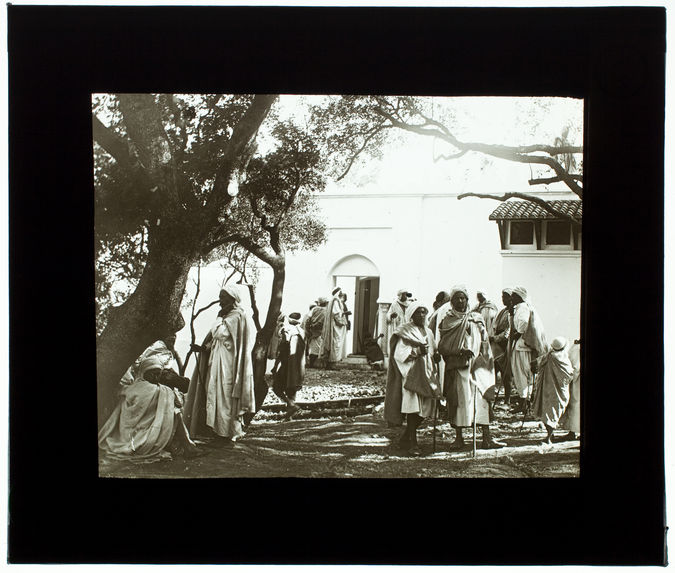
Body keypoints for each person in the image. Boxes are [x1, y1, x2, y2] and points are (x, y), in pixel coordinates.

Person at [183, 285, 256, 446]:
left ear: (233, 299)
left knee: (224, 397)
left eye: (223, 298)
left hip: (228, 366)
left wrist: (218, 317)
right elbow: (217, 341)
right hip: (219, 363)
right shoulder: (229, 317)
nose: (220, 302)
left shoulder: (236, 317)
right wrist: (204, 348)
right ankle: (217, 432)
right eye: (220, 297)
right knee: (216, 395)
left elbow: (219, 334)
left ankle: (224, 435)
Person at [435, 286, 505, 449]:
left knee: (482, 401)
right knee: (460, 402)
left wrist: (484, 357)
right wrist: (459, 352)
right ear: (451, 302)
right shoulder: (448, 320)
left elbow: (485, 341)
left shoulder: (476, 317)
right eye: (457, 298)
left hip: (478, 367)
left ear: (467, 300)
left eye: (463, 298)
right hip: (459, 369)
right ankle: (459, 438)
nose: (460, 301)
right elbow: (443, 346)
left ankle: (486, 438)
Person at [99, 354, 200, 460]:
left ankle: (186, 446)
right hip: (145, 439)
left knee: (172, 411)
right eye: (152, 374)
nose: (155, 377)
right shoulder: (159, 390)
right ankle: (187, 446)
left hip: (131, 438)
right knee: (175, 412)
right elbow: (178, 403)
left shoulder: (131, 388)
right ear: (144, 372)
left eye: (158, 374)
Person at [384, 301, 441, 456]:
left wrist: (435, 355)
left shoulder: (428, 332)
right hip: (411, 375)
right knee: (412, 409)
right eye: (418, 312)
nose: (422, 315)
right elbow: (399, 355)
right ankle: (413, 444)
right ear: (411, 315)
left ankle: (405, 437)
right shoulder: (405, 331)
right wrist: (417, 351)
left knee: (426, 408)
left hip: (426, 374)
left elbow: (433, 349)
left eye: (424, 312)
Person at [510, 286, 548, 414]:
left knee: (521, 374)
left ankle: (523, 403)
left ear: (519, 297)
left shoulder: (523, 308)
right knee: (526, 375)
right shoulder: (525, 308)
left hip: (522, 346)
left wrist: (518, 332)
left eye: (513, 296)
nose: (511, 298)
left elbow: (524, 323)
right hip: (525, 345)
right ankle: (525, 402)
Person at [531, 336, 575, 445]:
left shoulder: (548, 357)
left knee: (548, 411)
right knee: (554, 411)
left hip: (546, 389)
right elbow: (569, 376)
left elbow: (534, 364)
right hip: (559, 391)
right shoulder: (564, 360)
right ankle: (549, 437)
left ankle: (550, 435)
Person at [272, 312, 306, 419]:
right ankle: (289, 413)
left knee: (277, 387)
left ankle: (291, 405)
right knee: (292, 389)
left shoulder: (286, 330)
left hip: (287, 363)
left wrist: (275, 365)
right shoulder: (302, 332)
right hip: (298, 365)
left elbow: (282, 348)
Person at [490, 288, 514, 404]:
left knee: (507, 374)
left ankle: (507, 400)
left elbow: (508, 332)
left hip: (506, 346)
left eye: (505, 296)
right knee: (494, 370)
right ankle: (491, 397)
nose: (503, 299)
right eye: (502, 296)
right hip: (497, 347)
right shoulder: (503, 311)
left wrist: (495, 338)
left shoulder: (513, 312)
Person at [318, 287, 348, 369]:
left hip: (335, 325)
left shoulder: (334, 300)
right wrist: (342, 321)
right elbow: (336, 313)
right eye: (340, 292)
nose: (342, 293)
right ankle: (332, 364)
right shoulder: (335, 301)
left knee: (334, 343)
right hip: (335, 327)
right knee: (335, 344)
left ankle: (331, 364)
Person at [559, 339, 581, 441]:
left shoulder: (576, 348)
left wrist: (568, 378)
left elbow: (575, 368)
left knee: (575, 405)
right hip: (577, 380)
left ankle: (573, 432)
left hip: (576, 381)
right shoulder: (576, 347)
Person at [305, 297, 328, 367]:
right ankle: (313, 364)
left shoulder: (314, 309)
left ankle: (312, 364)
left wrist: (308, 328)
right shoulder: (326, 311)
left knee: (314, 348)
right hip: (321, 331)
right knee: (317, 349)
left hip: (313, 330)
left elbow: (308, 319)